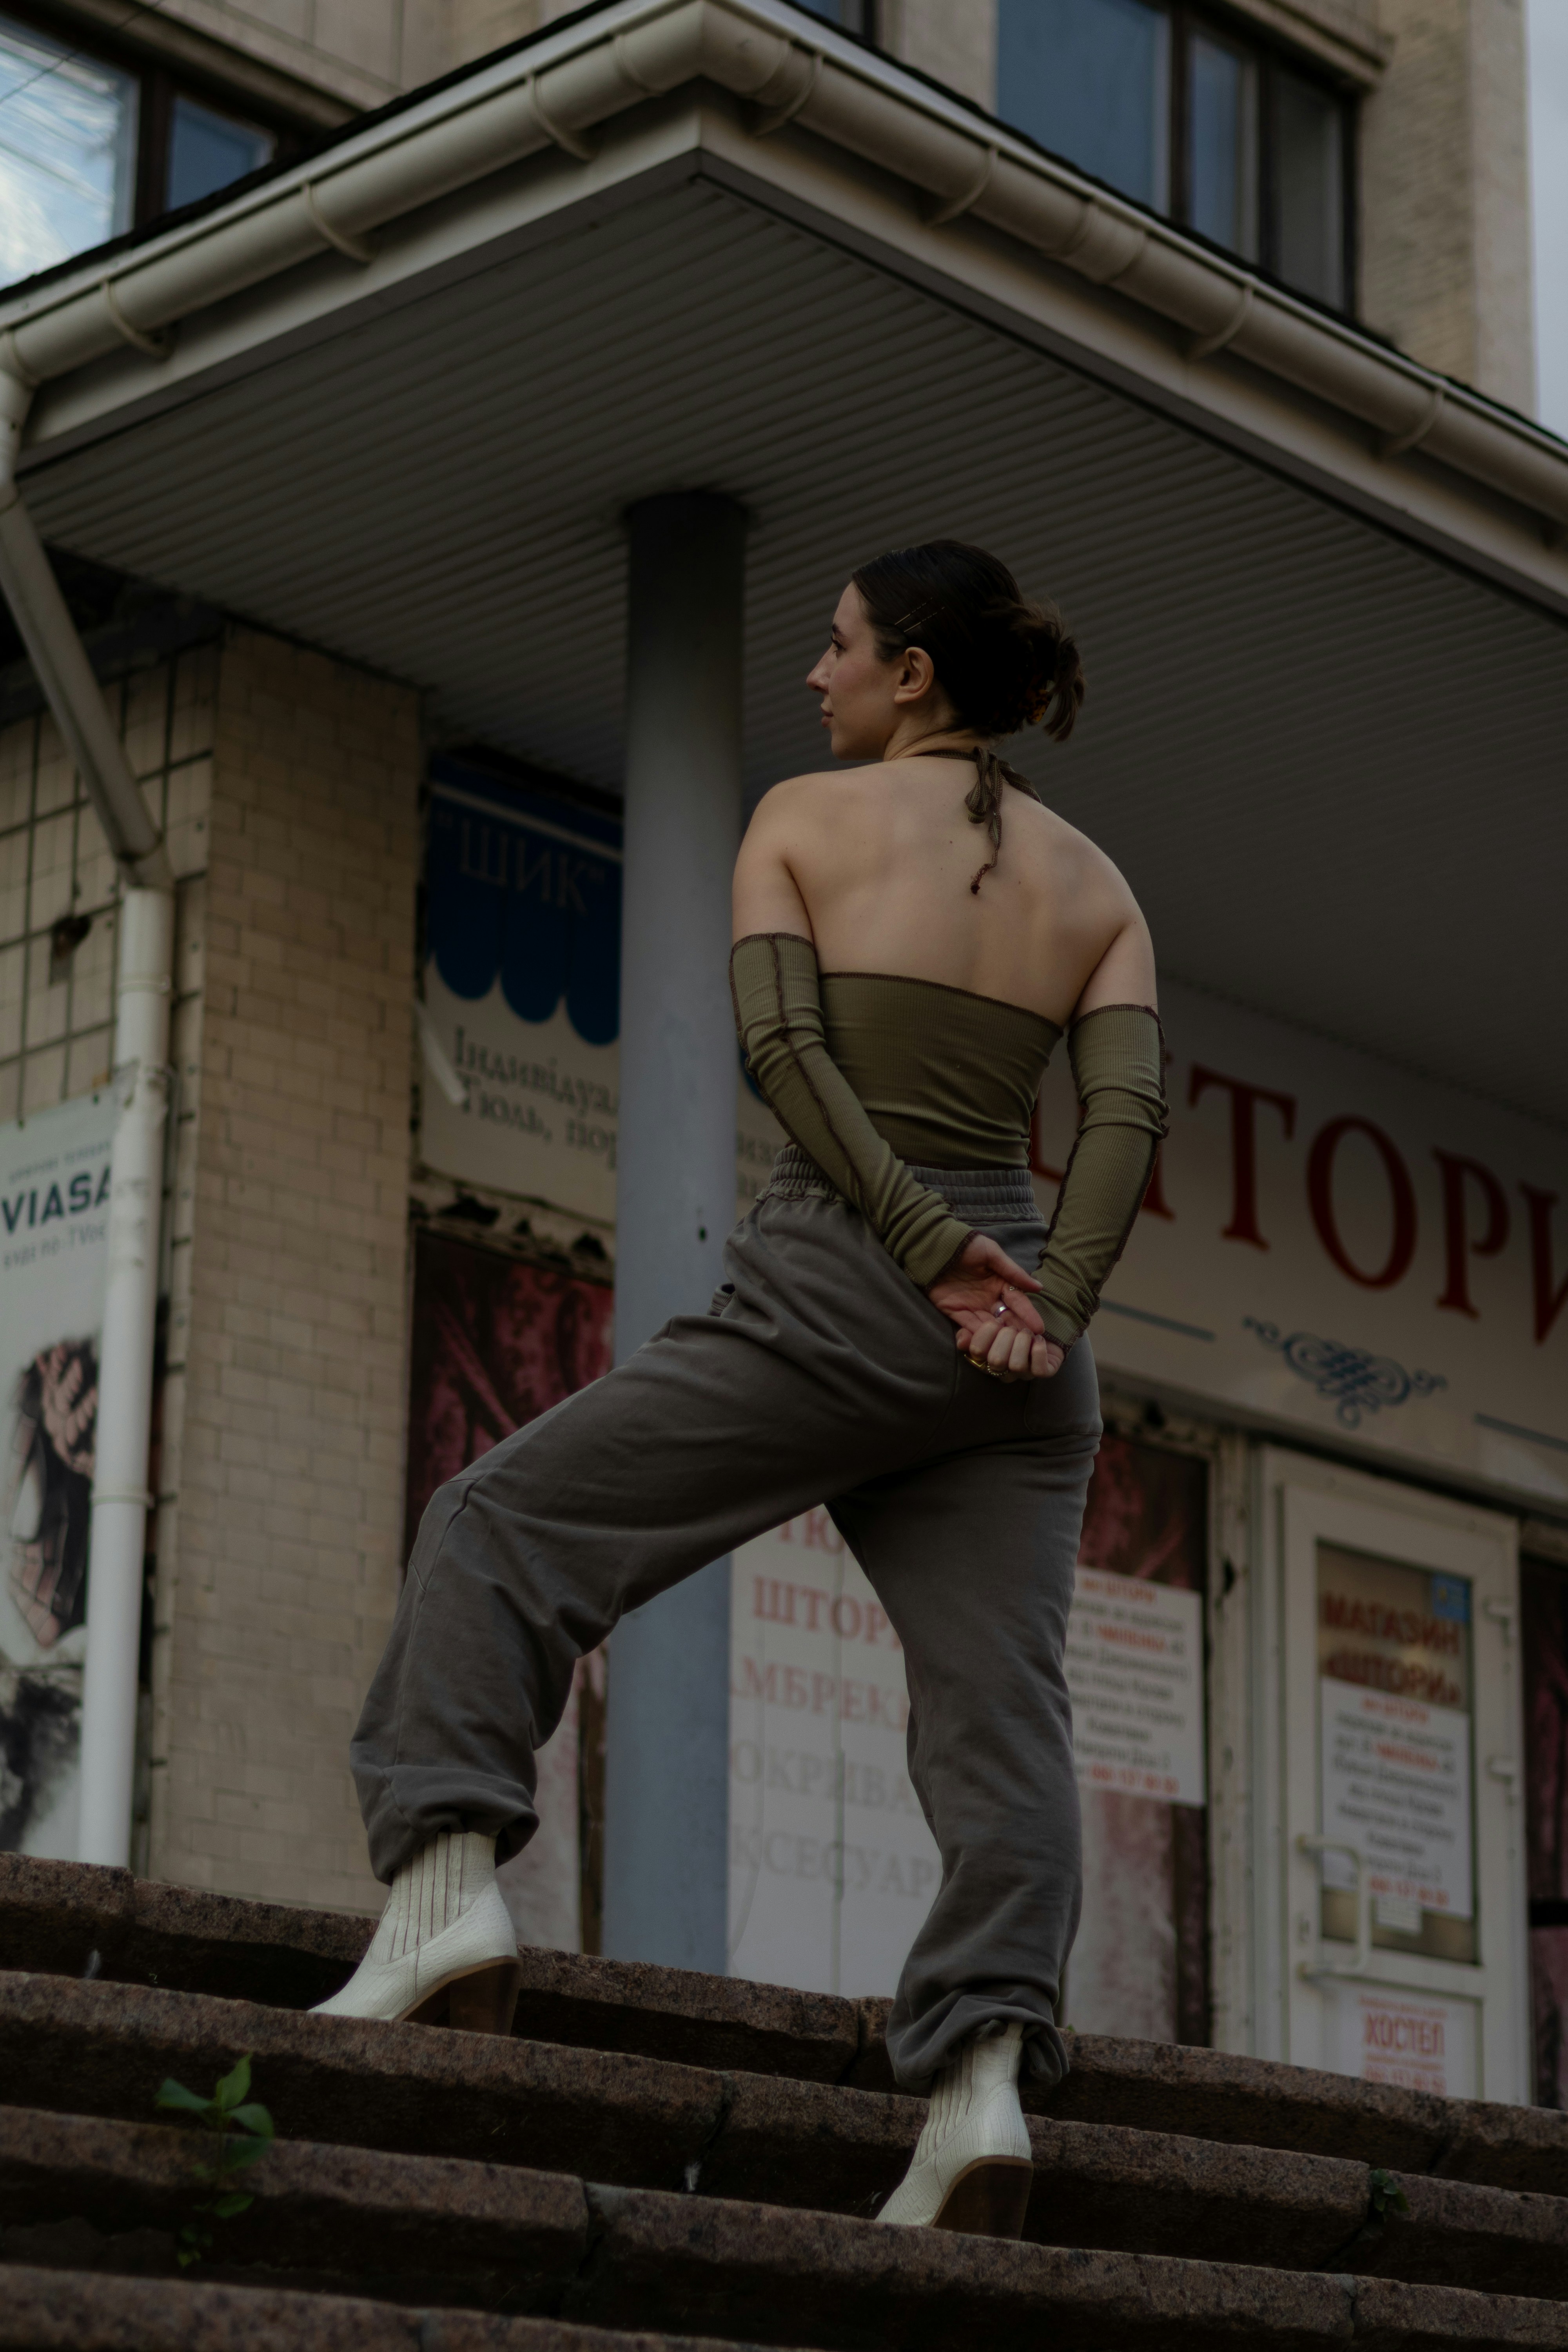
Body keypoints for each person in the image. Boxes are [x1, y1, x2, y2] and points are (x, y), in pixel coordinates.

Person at [316, 539, 1165, 2243]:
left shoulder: (798, 818)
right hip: (1018, 1345)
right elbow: (1126, 1128)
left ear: (912, 671)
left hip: (860, 1266)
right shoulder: (1099, 885)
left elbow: (789, 1060)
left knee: (497, 1524)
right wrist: (1044, 1303)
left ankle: (441, 1894)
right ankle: (983, 2079)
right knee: (1001, 1719)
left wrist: (923, 1248)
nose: (812, 673)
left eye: (838, 646)